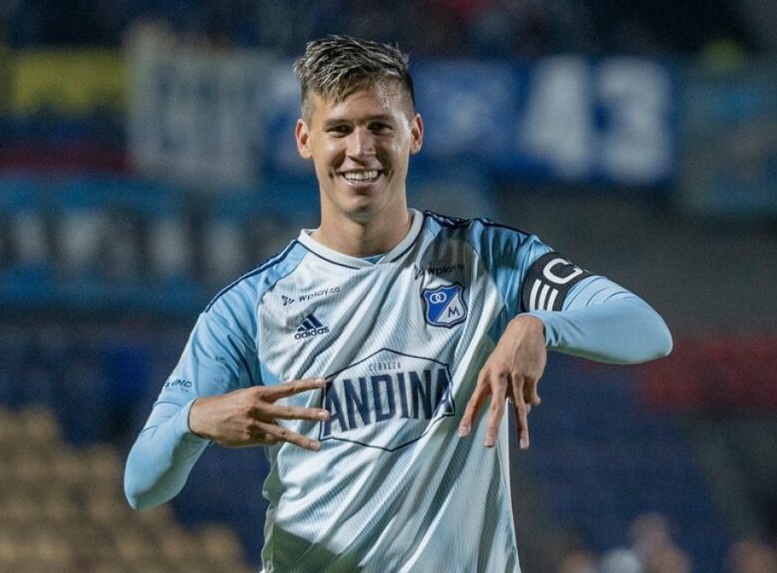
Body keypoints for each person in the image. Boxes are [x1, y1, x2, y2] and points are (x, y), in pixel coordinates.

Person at [124, 35, 672, 572]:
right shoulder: (249, 307)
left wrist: (539, 324)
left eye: (379, 127)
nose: (359, 149)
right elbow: (141, 485)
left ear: (414, 133)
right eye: (338, 129)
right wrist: (194, 420)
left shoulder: (488, 257)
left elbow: (647, 330)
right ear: (304, 139)